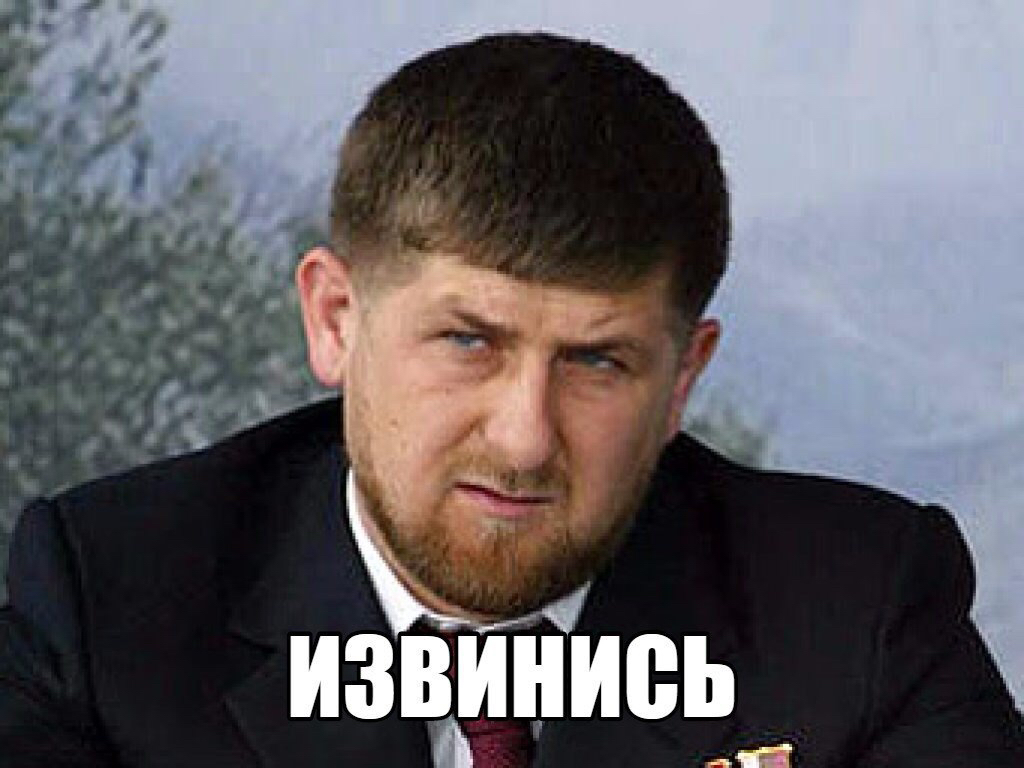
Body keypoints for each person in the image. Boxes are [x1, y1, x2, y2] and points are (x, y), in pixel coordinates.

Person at [1, 31, 1020, 768]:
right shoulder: (106, 607)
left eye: (599, 363)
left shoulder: (862, 610)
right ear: (335, 319)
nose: (525, 438)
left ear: (684, 378)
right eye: (468, 342)